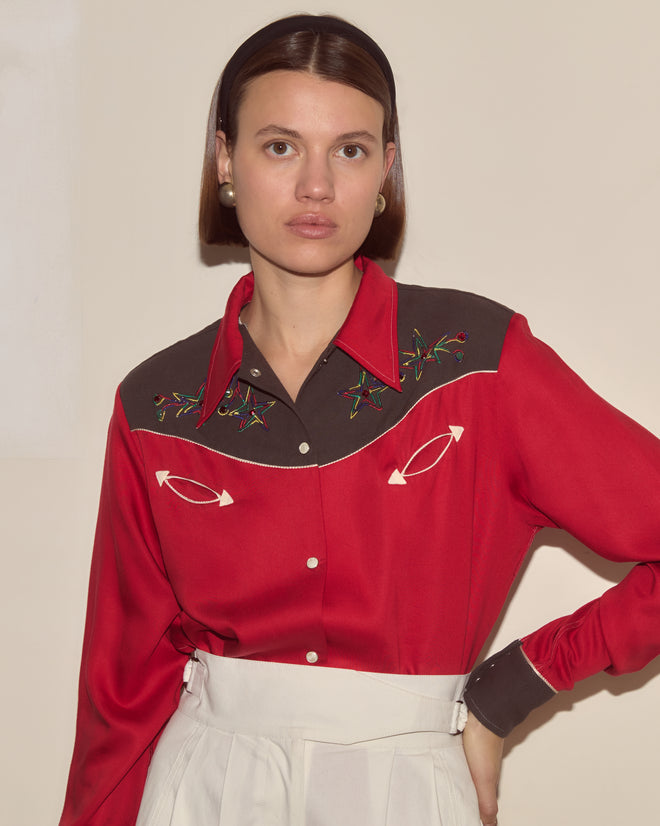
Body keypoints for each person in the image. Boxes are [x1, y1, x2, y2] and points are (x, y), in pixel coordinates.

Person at [59, 13, 660, 826]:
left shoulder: (480, 362)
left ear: (385, 171)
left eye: (349, 149)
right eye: (280, 146)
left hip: (407, 791)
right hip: (202, 790)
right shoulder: (154, 406)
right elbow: (120, 699)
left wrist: (511, 687)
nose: (316, 186)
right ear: (224, 161)